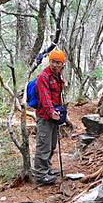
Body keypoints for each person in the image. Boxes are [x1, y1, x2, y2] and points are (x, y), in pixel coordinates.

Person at [34, 49, 71, 185]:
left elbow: (58, 95)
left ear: (62, 64)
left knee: (52, 144)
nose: (54, 65)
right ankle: (40, 175)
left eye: (58, 62)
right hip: (45, 116)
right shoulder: (44, 77)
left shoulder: (58, 75)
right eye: (52, 62)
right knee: (43, 145)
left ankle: (47, 168)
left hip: (55, 114)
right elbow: (45, 98)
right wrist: (52, 113)